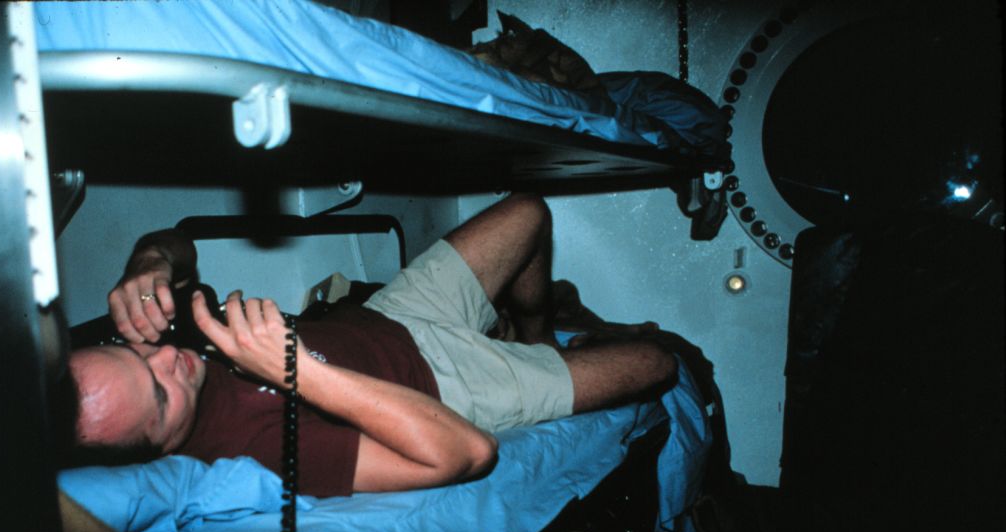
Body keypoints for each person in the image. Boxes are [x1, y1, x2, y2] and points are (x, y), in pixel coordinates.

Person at [67, 193, 677, 495]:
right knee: (658, 361)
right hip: (448, 386)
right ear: (158, 454)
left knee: (527, 210)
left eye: (136, 351)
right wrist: (293, 370)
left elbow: (174, 242)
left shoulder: (171, 345)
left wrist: (146, 264)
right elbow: (465, 453)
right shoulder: (247, 458)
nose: (171, 358)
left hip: (391, 315)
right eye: (162, 394)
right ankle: (538, 356)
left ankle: (538, 336)